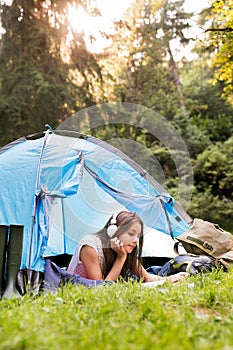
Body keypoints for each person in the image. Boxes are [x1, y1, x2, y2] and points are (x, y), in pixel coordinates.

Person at [67, 211, 188, 284]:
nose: (135, 241)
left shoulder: (125, 248)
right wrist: (121, 258)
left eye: (138, 236)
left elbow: (146, 277)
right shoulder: (90, 247)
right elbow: (99, 288)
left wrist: (172, 278)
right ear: (113, 231)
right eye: (131, 234)